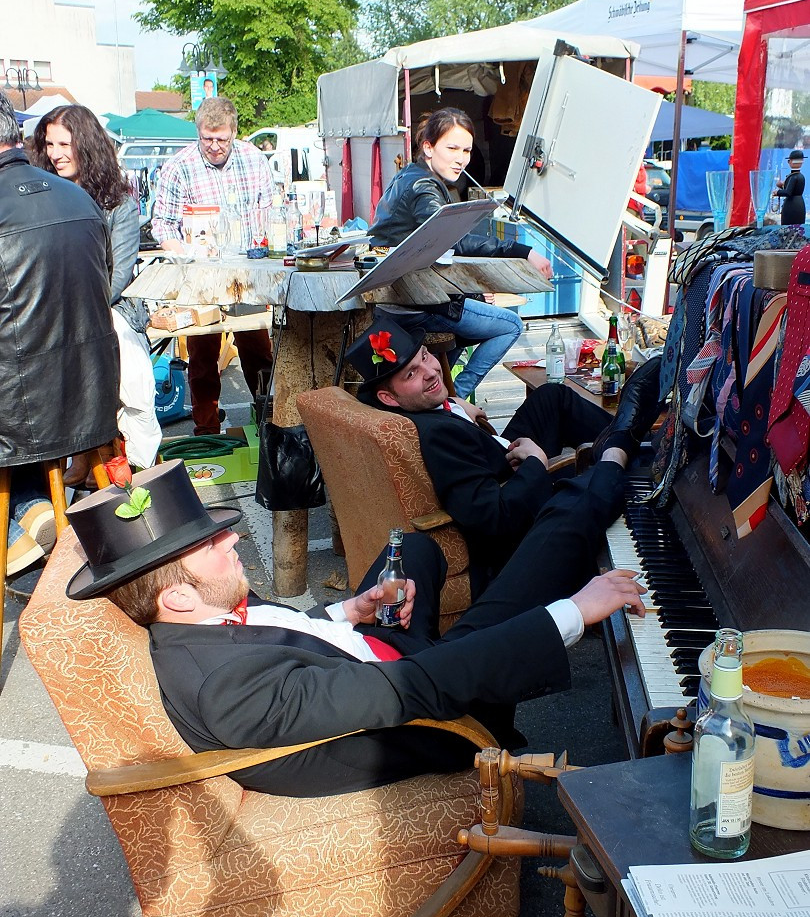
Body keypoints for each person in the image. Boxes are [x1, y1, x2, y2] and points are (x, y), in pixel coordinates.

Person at [65, 458, 646, 798]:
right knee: (546, 560)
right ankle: (611, 469)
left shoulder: (198, 621)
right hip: (431, 708)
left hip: (367, 658)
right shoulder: (227, 689)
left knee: (411, 547)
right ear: (178, 595)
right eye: (211, 544)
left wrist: (353, 610)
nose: (234, 538)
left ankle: (592, 488)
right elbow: (410, 691)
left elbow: (276, 636)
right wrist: (573, 611)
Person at [348, 316, 664, 595]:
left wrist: (454, 405)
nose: (431, 372)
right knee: (602, 469)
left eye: (426, 356)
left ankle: (639, 440)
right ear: (388, 397)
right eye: (411, 375)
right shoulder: (438, 438)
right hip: (522, 503)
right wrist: (536, 461)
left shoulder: (418, 409)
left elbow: (431, 405)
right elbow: (495, 517)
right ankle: (637, 449)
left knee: (551, 396)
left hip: (496, 451)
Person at [0, 89, 119, 573]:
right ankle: (30, 514)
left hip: (19, 412)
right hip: (88, 396)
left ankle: (25, 516)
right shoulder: (79, 197)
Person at [369, 108, 553, 400]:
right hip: (415, 307)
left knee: (462, 329)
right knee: (510, 325)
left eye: (466, 150)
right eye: (452, 148)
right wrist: (524, 250)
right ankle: (456, 397)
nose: (461, 158)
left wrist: (473, 295)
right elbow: (455, 240)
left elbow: (437, 248)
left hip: (400, 302)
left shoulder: (409, 175)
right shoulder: (423, 186)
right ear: (428, 147)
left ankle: (443, 396)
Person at [31, 104, 162, 480]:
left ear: (86, 145)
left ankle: (117, 457)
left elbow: (118, 275)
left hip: (107, 308)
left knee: (117, 356)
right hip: (57, 309)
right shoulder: (42, 195)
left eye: (64, 144)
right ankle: (82, 455)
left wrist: (77, 308)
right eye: (49, 144)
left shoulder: (117, 200)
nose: (55, 153)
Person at [151, 97, 275, 434]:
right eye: (207, 138)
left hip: (247, 277)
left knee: (258, 353)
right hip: (201, 280)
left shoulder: (254, 160)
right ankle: (207, 430)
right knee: (203, 356)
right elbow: (161, 223)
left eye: (221, 138)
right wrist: (183, 253)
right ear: (198, 132)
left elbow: (270, 209)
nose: (214, 146)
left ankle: (268, 422)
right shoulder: (179, 166)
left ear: (235, 132)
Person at [773, 149, 806, 226]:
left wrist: (777, 192)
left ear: (789, 161)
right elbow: (793, 189)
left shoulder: (793, 177)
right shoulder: (800, 176)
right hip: (799, 204)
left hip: (792, 206)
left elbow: (788, 192)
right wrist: (782, 186)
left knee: (789, 227)